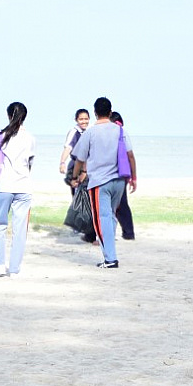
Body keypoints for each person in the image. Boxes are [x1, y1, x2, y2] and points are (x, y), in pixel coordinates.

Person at [70, 97, 129, 269]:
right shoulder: (120, 130)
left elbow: (80, 159)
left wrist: (75, 176)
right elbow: (130, 155)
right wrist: (133, 178)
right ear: (110, 112)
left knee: (101, 220)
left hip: (99, 182)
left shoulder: (90, 132)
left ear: (95, 113)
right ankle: (111, 252)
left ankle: (110, 259)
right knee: (110, 216)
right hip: (119, 181)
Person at [0, 102, 36, 276]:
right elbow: (30, 163)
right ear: (25, 117)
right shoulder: (30, 138)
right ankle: (14, 270)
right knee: (20, 230)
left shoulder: (0, 137)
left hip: (3, 186)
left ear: (8, 115)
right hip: (24, 187)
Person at [109, 111, 137, 240]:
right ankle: (128, 233)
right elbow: (130, 156)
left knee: (108, 204)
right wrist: (133, 177)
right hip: (122, 173)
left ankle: (111, 233)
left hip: (107, 173)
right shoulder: (123, 133)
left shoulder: (105, 133)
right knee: (122, 203)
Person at [59, 108, 90, 185]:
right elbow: (68, 148)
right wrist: (62, 163)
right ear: (76, 120)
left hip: (88, 166)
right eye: (81, 119)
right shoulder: (74, 132)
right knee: (76, 188)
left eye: (86, 119)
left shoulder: (90, 131)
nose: (84, 121)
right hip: (76, 166)